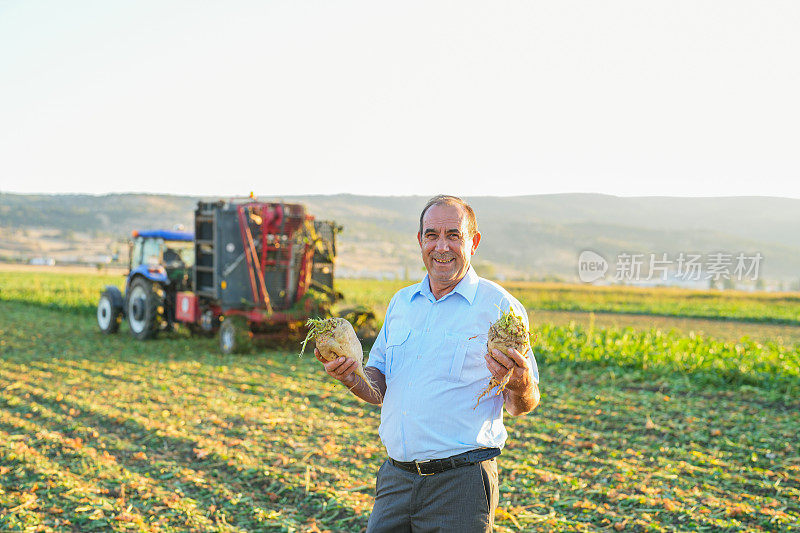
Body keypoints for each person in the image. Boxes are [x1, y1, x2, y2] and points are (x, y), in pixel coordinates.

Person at [315, 195, 540, 532]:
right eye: (432, 235)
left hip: (460, 485)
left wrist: (519, 383)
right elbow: (379, 386)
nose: (442, 246)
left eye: (454, 235)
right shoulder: (402, 303)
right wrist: (351, 376)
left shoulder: (499, 306)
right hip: (396, 480)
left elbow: (524, 404)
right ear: (420, 241)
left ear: (473, 242)